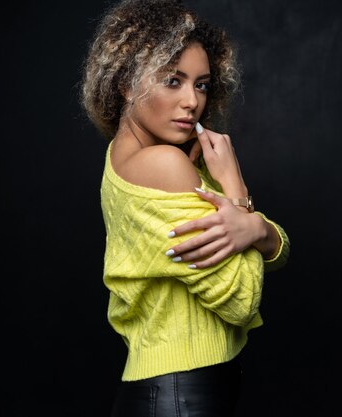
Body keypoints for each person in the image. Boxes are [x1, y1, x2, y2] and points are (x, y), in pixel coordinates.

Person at [79, 0, 290, 416]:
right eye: (172, 80)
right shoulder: (165, 165)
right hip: (181, 394)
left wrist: (257, 231)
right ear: (126, 82)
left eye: (202, 84)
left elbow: (274, 248)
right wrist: (235, 185)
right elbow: (243, 300)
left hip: (173, 389)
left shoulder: (125, 158)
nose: (192, 101)